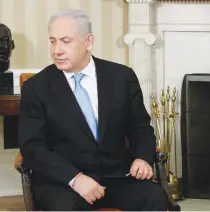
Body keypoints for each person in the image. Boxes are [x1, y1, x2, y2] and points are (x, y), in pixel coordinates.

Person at [18, 9, 168, 211]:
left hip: (118, 178)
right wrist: (75, 179)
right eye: (53, 41)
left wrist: (142, 157)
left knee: (155, 197)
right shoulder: (36, 88)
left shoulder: (122, 77)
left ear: (88, 41)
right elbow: (32, 147)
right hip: (64, 184)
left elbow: (140, 127)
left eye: (65, 41)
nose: (57, 50)